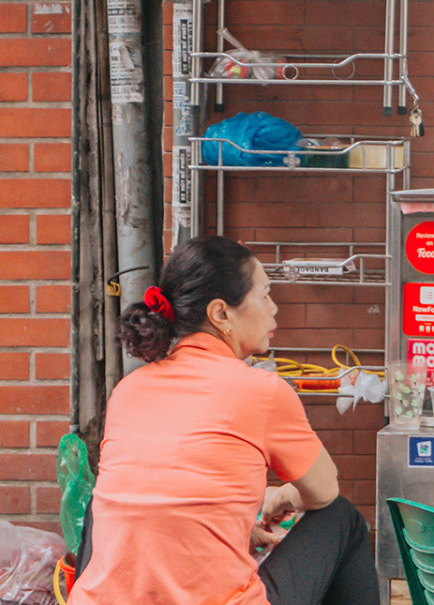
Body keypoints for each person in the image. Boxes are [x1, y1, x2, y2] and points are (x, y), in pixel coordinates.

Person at [70, 236, 378, 605]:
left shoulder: (128, 390)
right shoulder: (262, 390)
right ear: (221, 314)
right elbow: (324, 491)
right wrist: (279, 495)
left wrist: (242, 518)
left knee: (98, 507)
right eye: (264, 295)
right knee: (342, 520)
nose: (274, 308)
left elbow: (165, 497)